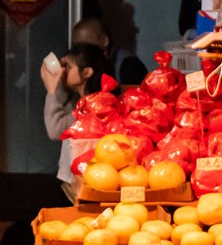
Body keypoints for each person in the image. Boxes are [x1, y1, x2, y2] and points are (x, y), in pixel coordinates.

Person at [41, 41, 111, 195]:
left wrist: (52, 88)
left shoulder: (93, 107)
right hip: (76, 184)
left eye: (69, 67)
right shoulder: (80, 101)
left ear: (87, 72)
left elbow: (55, 129)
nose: (63, 71)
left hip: (85, 187)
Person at [72, 16, 147, 87]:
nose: (80, 51)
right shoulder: (85, 68)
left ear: (104, 40)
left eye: (86, 45)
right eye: (76, 46)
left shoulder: (129, 66)